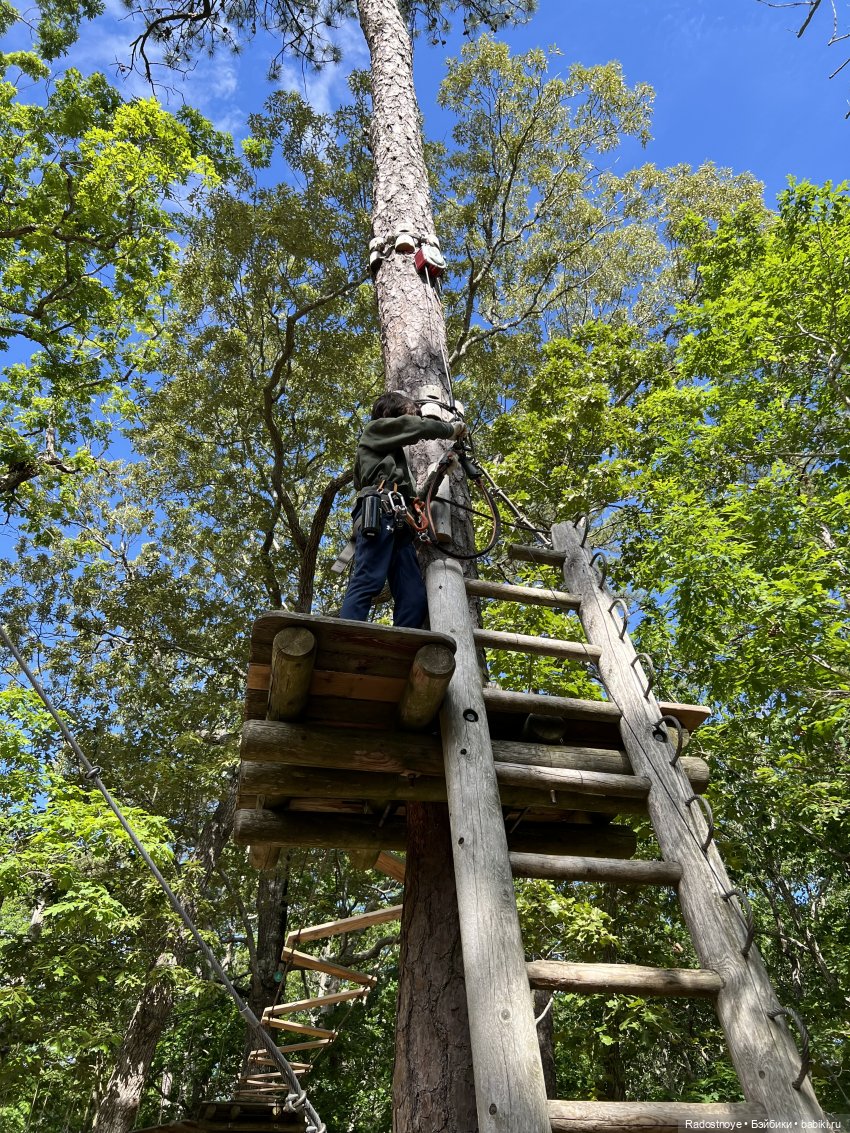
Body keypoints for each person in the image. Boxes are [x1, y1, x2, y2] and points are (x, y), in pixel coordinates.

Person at [340, 391, 466, 628]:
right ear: (391, 412)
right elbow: (413, 426)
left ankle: (402, 642)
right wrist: (451, 429)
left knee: (413, 597)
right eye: (411, 413)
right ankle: (345, 635)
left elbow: (414, 498)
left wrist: (440, 472)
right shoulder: (374, 430)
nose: (416, 419)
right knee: (369, 579)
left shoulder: (392, 457)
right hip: (380, 511)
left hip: (399, 520)